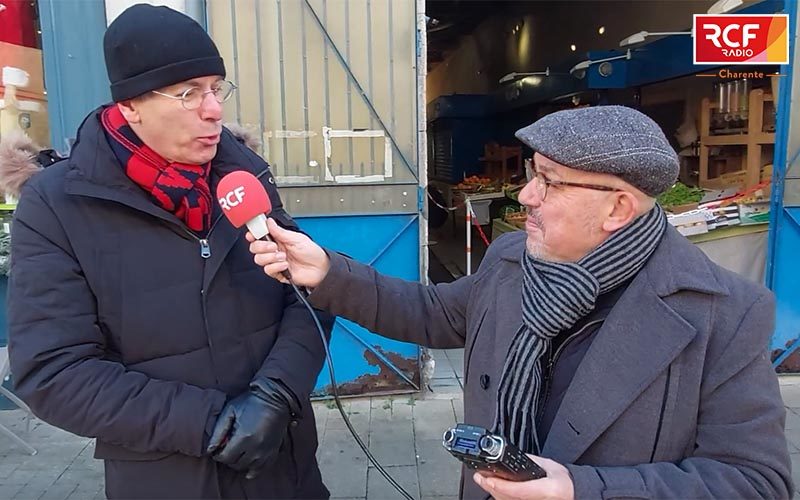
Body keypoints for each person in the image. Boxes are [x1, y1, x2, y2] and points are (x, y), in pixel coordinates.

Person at [249, 105, 793, 499]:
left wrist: (581, 489)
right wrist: (327, 272)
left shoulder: (725, 312)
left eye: (550, 182)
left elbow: (753, 481)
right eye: (533, 174)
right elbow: (436, 313)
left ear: (618, 209)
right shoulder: (512, 260)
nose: (526, 195)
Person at [7, 4, 333, 499]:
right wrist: (211, 424)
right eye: (188, 93)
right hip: (167, 478)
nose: (214, 109)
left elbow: (308, 296)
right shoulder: (57, 206)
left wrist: (276, 395)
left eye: (215, 88)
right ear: (130, 106)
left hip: (284, 469)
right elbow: (53, 371)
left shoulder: (244, 175)